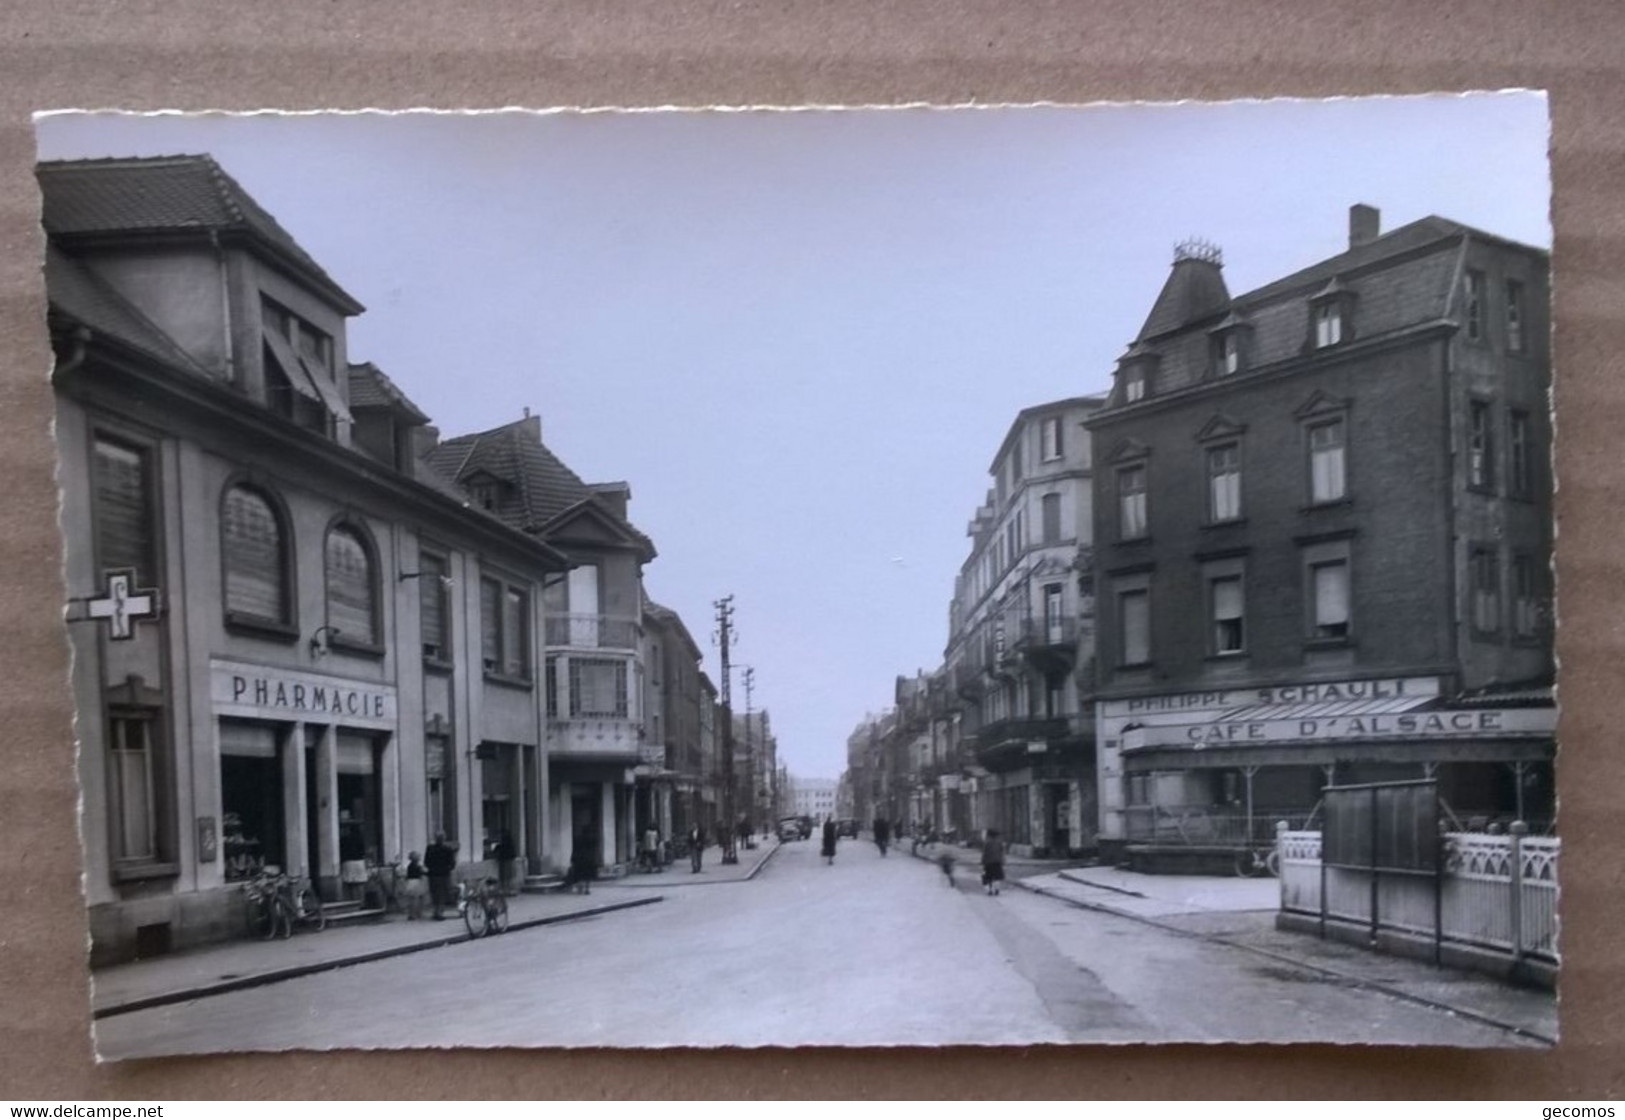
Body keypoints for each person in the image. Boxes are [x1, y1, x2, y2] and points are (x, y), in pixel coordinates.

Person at [424, 832, 457, 920]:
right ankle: (439, 913)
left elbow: (426, 862)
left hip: (433, 874)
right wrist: (447, 869)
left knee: (435, 893)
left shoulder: (430, 848)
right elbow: (452, 863)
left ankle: (436, 911)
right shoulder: (448, 849)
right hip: (444, 875)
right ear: (444, 839)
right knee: (442, 894)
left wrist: (432, 867)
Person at [338, 819, 367, 902]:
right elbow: (363, 851)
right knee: (360, 883)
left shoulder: (344, 839)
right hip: (359, 862)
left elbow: (342, 850)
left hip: (348, 862)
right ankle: (361, 901)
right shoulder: (360, 839)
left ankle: (351, 901)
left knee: (349, 883)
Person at [402, 851, 428, 920]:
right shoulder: (417, 866)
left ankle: (411, 914)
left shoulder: (409, 866)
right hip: (417, 882)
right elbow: (424, 872)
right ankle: (417, 914)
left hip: (410, 882)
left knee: (412, 899)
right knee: (417, 899)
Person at [981, 828, 1006, 896]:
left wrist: (982, 861)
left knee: (989, 877)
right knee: (997, 876)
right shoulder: (1000, 842)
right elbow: (1002, 852)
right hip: (997, 862)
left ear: (989, 835)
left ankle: (990, 890)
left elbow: (985, 853)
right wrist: (1003, 861)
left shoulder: (987, 843)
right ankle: (997, 889)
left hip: (989, 863)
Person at [492, 829, 516, 896]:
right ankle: (509, 890)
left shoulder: (504, 842)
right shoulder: (509, 842)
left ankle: (506, 890)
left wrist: (496, 851)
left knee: (505, 876)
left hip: (505, 860)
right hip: (508, 859)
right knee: (509, 876)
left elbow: (500, 848)